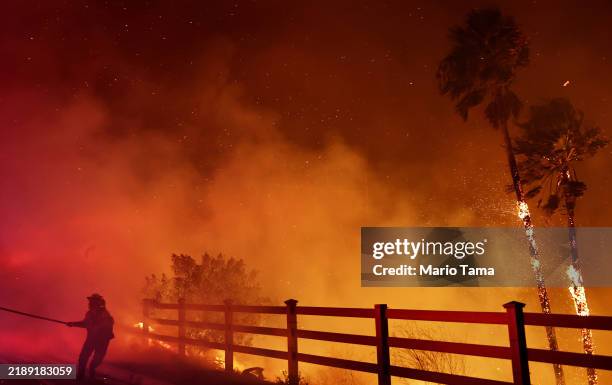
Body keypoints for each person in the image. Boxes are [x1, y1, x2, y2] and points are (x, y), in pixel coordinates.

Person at [67, 293, 114, 381]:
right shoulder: (90, 313)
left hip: (102, 340)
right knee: (83, 357)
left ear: (97, 302)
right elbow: (85, 323)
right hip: (92, 339)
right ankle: (81, 375)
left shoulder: (104, 314)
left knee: (97, 358)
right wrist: (73, 324)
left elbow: (105, 326)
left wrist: (96, 327)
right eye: (90, 301)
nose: (89, 303)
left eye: (91, 301)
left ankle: (92, 371)